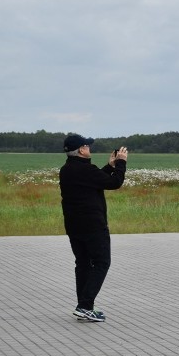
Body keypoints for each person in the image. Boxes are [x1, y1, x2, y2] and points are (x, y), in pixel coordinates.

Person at [59, 134, 129, 322]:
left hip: (74, 227)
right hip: (93, 226)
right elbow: (115, 183)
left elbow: (96, 180)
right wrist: (121, 163)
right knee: (101, 262)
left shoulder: (66, 169)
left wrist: (110, 166)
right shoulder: (86, 170)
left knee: (82, 263)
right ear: (81, 150)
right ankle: (85, 305)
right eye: (87, 146)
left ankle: (84, 306)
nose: (89, 148)